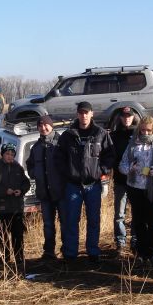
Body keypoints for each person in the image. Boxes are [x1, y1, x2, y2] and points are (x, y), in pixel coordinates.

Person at [55, 101, 116, 262]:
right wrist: (67, 172)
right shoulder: (68, 135)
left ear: (92, 114)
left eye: (86, 112)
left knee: (94, 220)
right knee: (71, 220)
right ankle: (70, 253)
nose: (83, 116)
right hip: (73, 185)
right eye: (81, 113)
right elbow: (58, 157)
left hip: (93, 184)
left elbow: (110, 155)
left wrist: (101, 170)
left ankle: (93, 252)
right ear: (77, 114)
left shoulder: (100, 134)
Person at [118, 116, 153, 268]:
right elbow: (122, 165)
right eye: (143, 130)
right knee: (139, 221)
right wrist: (130, 168)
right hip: (135, 188)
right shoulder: (133, 144)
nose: (146, 133)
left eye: (149, 130)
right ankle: (142, 253)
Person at [26, 115, 66, 260]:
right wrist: (34, 173)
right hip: (44, 193)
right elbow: (30, 164)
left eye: (46, 125)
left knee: (64, 223)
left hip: (60, 192)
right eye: (40, 126)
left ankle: (66, 250)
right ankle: (49, 252)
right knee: (48, 225)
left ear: (51, 126)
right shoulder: (36, 147)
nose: (43, 128)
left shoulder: (60, 143)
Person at [0, 143, 31, 272]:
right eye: (7, 154)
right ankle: (3, 257)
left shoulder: (18, 167)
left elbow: (26, 183)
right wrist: (5, 191)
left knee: (18, 234)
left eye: (12, 154)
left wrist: (21, 190)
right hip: (2, 206)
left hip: (16, 206)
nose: (10, 156)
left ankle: (19, 257)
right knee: (2, 234)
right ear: (2, 154)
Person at [110, 107, 138, 254]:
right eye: (124, 116)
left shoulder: (139, 133)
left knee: (136, 212)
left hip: (136, 181)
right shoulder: (114, 135)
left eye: (129, 116)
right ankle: (120, 242)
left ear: (133, 117)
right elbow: (109, 155)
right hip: (120, 180)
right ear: (120, 118)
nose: (126, 118)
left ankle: (135, 239)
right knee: (119, 213)